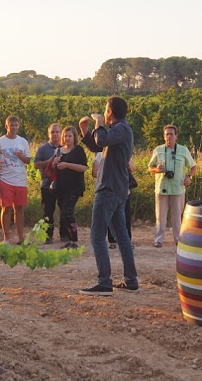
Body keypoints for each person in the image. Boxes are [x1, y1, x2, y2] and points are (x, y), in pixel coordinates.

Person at [79, 96, 138, 295]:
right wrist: (85, 132)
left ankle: (104, 282)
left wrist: (99, 123)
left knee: (97, 236)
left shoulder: (120, 129)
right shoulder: (120, 130)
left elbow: (102, 139)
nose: (104, 112)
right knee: (122, 237)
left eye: (106, 109)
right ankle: (131, 280)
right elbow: (98, 145)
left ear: (110, 112)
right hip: (117, 189)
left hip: (109, 189)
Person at [148, 125, 197, 248]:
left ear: (176, 136)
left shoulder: (183, 150)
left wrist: (189, 177)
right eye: (166, 134)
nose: (169, 136)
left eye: (171, 134)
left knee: (177, 216)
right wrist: (156, 169)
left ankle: (178, 239)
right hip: (162, 187)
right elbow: (150, 167)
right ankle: (158, 240)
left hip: (177, 188)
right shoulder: (158, 150)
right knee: (160, 216)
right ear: (164, 136)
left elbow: (193, 166)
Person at [0, 115, 31, 245]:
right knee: (6, 208)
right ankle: (6, 237)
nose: (14, 128)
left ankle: (21, 237)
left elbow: (28, 160)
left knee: (19, 208)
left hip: (20, 179)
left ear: (18, 126)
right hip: (5, 179)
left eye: (16, 125)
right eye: (11, 125)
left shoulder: (23, 142)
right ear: (6, 126)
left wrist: (22, 156)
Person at [52, 126, 87, 249]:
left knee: (68, 212)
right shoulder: (58, 151)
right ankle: (70, 239)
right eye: (65, 136)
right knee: (63, 213)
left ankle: (75, 240)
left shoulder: (78, 150)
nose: (67, 138)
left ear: (74, 137)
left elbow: (84, 168)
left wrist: (67, 165)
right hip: (61, 187)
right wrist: (54, 163)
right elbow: (52, 169)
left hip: (74, 187)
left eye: (70, 136)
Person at [92, 153, 136, 249]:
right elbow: (94, 173)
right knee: (109, 217)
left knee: (126, 217)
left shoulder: (124, 153)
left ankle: (127, 241)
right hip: (108, 191)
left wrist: (127, 163)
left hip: (124, 191)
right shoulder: (100, 155)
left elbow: (133, 168)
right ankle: (112, 241)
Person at [33, 123, 62, 243]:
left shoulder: (66, 147)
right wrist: (48, 162)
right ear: (48, 134)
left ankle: (65, 235)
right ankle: (48, 236)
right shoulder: (43, 149)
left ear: (60, 133)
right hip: (46, 184)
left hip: (62, 184)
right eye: (52, 132)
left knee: (64, 210)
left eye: (57, 132)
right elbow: (36, 164)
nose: (55, 134)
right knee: (48, 211)